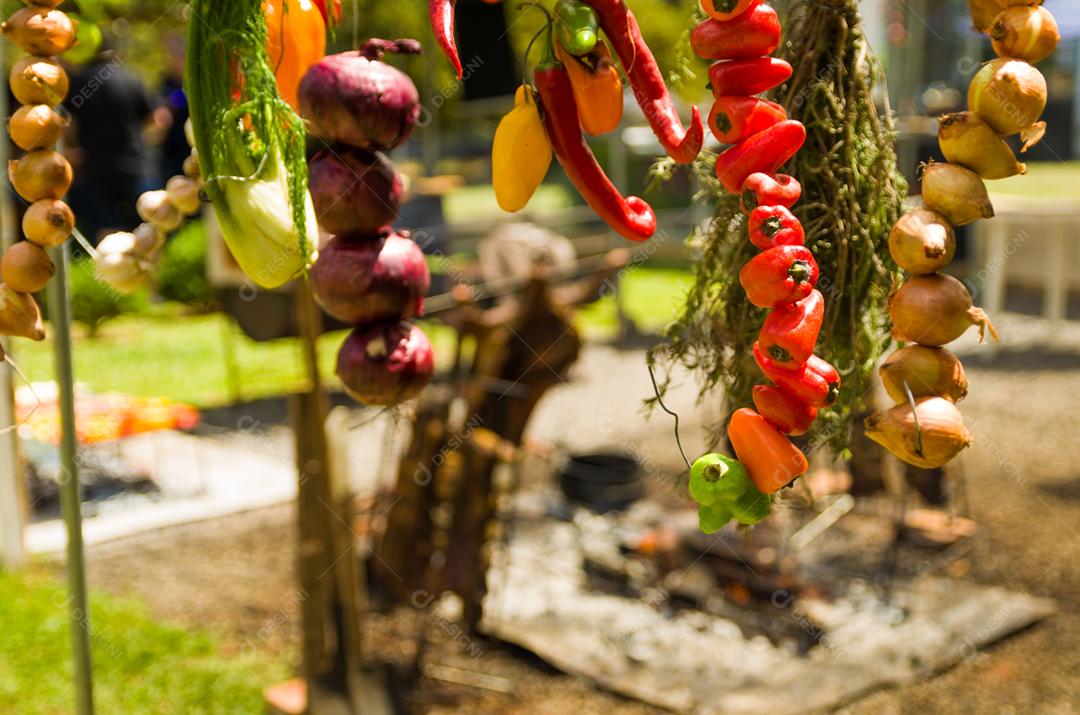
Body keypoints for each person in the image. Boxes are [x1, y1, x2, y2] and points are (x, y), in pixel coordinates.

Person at [63, 36, 160, 243]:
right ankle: (147, 270)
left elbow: (68, 123)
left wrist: (73, 149)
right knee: (145, 224)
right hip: (134, 163)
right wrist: (144, 141)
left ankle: (110, 270)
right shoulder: (132, 79)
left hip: (95, 165)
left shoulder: (79, 82)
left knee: (106, 226)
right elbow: (155, 120)